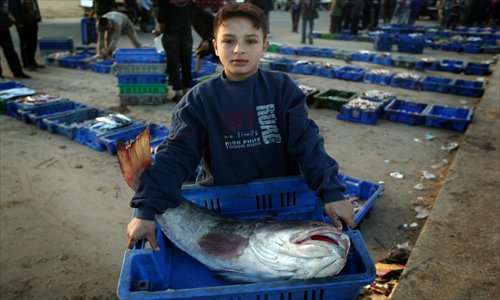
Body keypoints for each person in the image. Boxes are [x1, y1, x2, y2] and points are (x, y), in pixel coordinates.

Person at [126, 2, 356, 252]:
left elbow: (308, 144)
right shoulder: (200, 99)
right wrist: (146, 209)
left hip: (283, 203)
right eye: (228, 41)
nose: (239, 50)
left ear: (264, 46)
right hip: (222, 206)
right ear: (214, 45)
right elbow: (177, 154)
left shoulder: (282, 89)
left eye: (250, 41)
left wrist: (331, 192)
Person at [153, 0, 193, 102]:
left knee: (173, 64)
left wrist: (158, 32)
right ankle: (187, 90)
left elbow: (162, 22)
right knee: (186, 62)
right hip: (187, 35)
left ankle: (178, 92)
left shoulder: (164, 2)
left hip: (171, 36)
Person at [9, 0, 44, 71]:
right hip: (23, 23)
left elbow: (35, 6)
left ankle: (32, 61)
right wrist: (19, 23)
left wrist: (38, 17)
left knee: (33, 42)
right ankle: (27, 63)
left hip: (33, 20)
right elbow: (14, 9)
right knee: (25, 44)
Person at [0, 0, 30, 79]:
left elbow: (6, 8)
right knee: (10, 51)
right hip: (3, 26)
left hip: (3, 27)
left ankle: (18, 72)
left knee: (10, 51)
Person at [191, 5, 217, 73]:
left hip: (214, 34)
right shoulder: (197, 13)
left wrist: (206, 40)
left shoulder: (195, 16)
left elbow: (203, 29)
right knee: (201, 52)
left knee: (201, 52)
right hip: (212, 34)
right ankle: (197, 70)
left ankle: (197, 71)